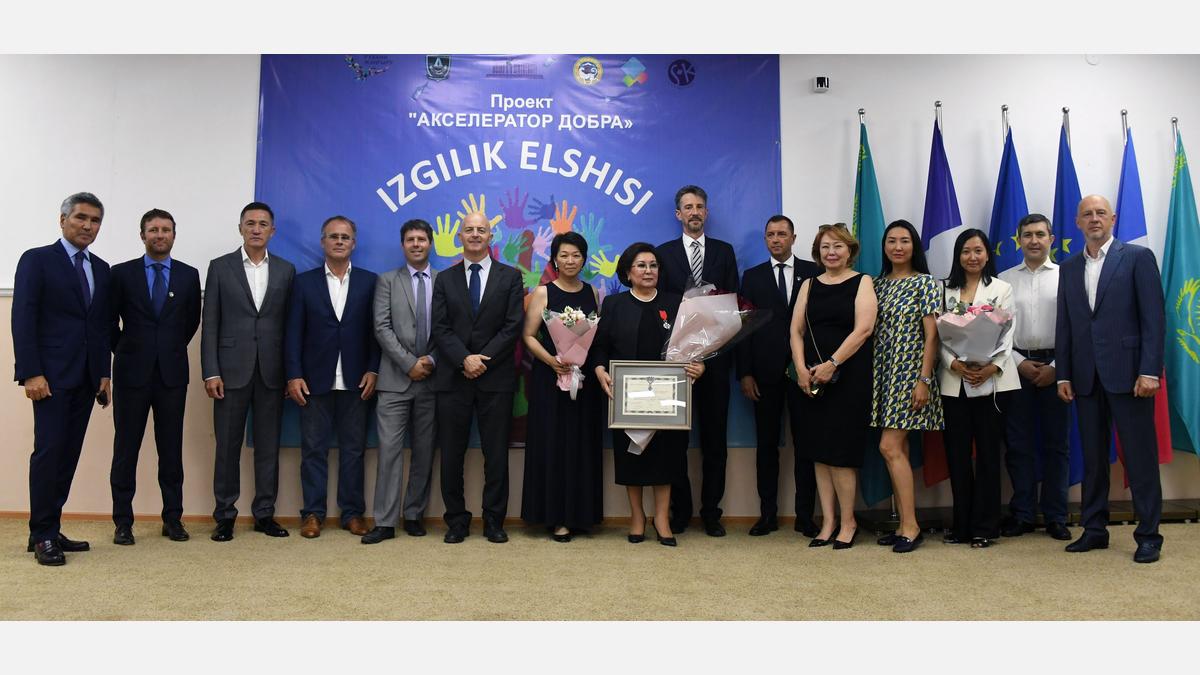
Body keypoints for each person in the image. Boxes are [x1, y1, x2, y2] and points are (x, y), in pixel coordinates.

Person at [1056, 195, 1165, 563]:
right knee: (1093, 458)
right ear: (1078, 222)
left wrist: (1149, 371)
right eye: (1087, 214)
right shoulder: (1069, 267)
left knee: (1139, 457)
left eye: (1100, 213)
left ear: (1113, 219)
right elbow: (1066, 325)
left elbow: (1154, 320)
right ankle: (1094, 529)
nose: (1094, 219)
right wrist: (1063, 374)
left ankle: (1149, 535)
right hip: (1085, 378)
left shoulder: (1137, 258)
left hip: (1130, 375)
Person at [13, 192, 112, 566]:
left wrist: (103, 372)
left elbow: (100, 325)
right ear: (63, 220)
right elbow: (23, 318)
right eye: (81, 218)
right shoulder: (37, 260)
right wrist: (31, 373)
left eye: (95, 220)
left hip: (86, 379)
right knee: (49, 454)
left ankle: (50, 528)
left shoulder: (100, 268)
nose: (87, 226)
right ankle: (41, 534)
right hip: (50, 378)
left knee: (68, 455)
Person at [593, 243, 705, 547]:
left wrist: (700, 365)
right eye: (641, 265)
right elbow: (600, 346)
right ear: (628, 272)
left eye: (653, 265)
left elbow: (694, 346)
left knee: (666, 458)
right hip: (626, 398)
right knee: (632, 458)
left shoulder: (676, 302)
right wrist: (600, 369)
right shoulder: (614, 304)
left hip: (668, 398)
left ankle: (662, 519)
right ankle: (637, 517)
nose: (648, 271)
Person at [202, 201, 296, 541]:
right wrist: (211, 371)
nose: (256, 229)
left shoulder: (286, 270)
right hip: (229, 372)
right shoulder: (220, 267)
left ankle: (264, 514)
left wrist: (290, 373)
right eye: (250, 223)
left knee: (268, 447)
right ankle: (225, 516)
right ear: (240, 228)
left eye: (263, 224)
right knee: (227, 447)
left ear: (272, 231)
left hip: (272, 372)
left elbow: (290, 326)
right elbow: (210, 323)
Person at [108, 208, 201, 545]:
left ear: (174, 235)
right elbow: (108, 322)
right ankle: (123, 522)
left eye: (165, 230)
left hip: (172, 376)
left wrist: (167, 349)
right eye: (153, 230)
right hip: (131, 374)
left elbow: (190, 322)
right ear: (142, 235)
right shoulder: (121, 274)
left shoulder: (189, 275)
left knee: (171, 450)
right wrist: (128, 349)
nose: (160, 235)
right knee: (126, 450)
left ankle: (172, 519)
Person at [430, 211, 524, 544]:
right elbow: (440, 327)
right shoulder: (444, 279)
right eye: (468, 229)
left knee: (495, 454)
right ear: (460, 236)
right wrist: (464, 359)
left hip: (495, 378)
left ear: (490, 237)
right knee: (452, 454)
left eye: (481, 230)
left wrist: (482, 359)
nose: (474, 235)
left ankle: (494, 520)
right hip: (453, 378)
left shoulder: (510, 277)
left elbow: (513, 326)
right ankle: (456, 520)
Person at [285, 216, 380, 539]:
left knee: (354, 451)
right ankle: (312, 514)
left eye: (345, 237)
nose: (339, 241)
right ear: (323, 242)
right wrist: (294, 374)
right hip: (314, 381)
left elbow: (375, 332)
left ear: (354, 243)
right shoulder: (303, 283)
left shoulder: (369, 282)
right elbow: (292, 333)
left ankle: (352, 514)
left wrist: (373, 369)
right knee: (313, 450)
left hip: (357, 381)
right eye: (333, 236)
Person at [655, 185, 738, 536]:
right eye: (687, 207)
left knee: (715, 442)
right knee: (674, 442)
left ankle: (711, 513)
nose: (694, 212)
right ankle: (680, 512)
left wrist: (710, 351)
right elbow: (660, 306)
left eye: (699, 206)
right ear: (679, 214)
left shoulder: (724, 251)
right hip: (675, 360)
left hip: (715, 361)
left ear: (706, 212)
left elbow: (733, 306)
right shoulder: (663, 253)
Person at [789, 224, 876, 549]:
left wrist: (833, 363)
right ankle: (827, 522)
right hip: (811, 381)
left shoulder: (862, 281)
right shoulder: (809, 284)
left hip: (848, 379)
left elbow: (863, 329)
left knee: (840, 454)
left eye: (838, 246)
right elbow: (796, 331)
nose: (831, 252)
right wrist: (801, 369)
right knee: (818, 454)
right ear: (818, 252)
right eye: (825, 247)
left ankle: (848, 522)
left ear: (850, 250)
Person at [735, 215, 820, 537]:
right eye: (770, 234)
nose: (776, 239)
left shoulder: (813, 273)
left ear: (793, 238)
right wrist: (745, 372)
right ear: (765, 239)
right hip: (764, 374)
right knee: (766, 446)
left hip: (804, 372)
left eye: (782, 234)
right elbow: (743, 327)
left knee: (806, 446)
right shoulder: (752, 277)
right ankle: (767, 515)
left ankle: (805, 516)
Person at [938, 228, 1019, 549]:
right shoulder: (944, 289)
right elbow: (935, 336)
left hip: (992, 383)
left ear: (987, 255)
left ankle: (985, 527)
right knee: (957, 456)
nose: (972, 257)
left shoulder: (1002, 288)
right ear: (958, 256)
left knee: (988, 456)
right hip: (954, 383)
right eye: (966, 251)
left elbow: (1008, 333)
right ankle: (961, 526)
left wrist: (990, 367)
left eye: (978, 251)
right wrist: (953, 363)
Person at [520, 231, 604, 542]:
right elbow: (528, 335)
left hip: (583, 381)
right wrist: (553, 361)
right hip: (550, 379)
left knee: (580, 445)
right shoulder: (543, 292)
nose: (570, 260)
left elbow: (594, 335)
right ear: (555, 259)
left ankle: (580, 515)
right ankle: (556, 518)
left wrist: (578, 358)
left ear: (584, 259)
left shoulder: (592, 292)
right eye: (564, 255)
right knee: (554, 444)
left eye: (576, 255)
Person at [997, 214, 1072, 542]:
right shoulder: (1003, 280)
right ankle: (1023, 514)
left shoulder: (1067, 276)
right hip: (1016, 367)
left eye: (1040, 234)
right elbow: (997, 330)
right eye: (1027, 235)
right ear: (1019, 241)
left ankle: (1056, 516)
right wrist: (1019, 362)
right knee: (1018, 444)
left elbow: (1075, 327)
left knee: (1057, 445)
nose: (1034, 240)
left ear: (1051, 240)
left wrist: (1056, 366)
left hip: (1058, 368)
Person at [364, 218, 439, 543]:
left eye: (421, 239)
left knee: (424, 452)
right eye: (410, 239)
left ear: (430, 243)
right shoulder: (387, 281)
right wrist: (409, 364)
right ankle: (384, 521)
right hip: (395, 380)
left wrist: (431, 360)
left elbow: (450, 328)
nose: (416, 244)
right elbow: (381, 327)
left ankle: (414, 514)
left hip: (432, 380)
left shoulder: (444, 281)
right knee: (389, 452)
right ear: (403, 245)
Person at [871, 220, 943, 553]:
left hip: (911, 374)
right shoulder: (876, 284)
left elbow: (933, 336)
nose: (898, 247)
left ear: (914, 246)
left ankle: (911, 526)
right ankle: (903, 523)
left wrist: (924, 380)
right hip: (883, 374)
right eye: (891, 241)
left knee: (889, 447)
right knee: (898, 449)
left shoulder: (924, 283)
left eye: (904, 241)